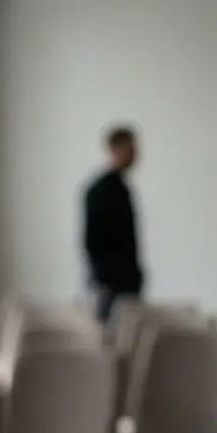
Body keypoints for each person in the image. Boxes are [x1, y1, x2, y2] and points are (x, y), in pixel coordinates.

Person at [82, 125, 144, 323]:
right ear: (116, 148)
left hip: (124, 282)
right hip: (111, 284)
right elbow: (91, 241)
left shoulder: (121, 188)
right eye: (131, 148)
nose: (136, 154)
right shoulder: (100, 191)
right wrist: (105, 278)